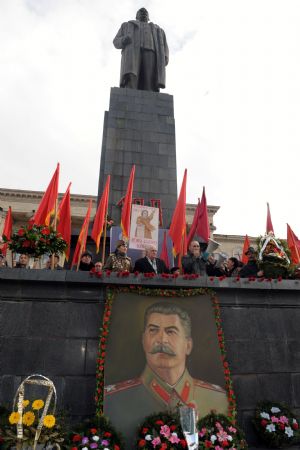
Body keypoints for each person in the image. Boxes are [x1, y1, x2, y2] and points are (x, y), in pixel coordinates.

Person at [104, 302, 228, 447]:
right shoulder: (113, 401)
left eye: (171, 331)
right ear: (143, 341)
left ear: (188, 345)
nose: (162, 340)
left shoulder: (219, 399)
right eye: (153, 330)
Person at [113, 7, 169, 92]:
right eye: (141, 11)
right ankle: (130, 94)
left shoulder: (158, 30)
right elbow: (116, 41)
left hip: (151, 53)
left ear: (149, 17)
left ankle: (150, 98)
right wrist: (123, 40)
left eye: (145, 12)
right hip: (132, 54)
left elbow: (164, 45)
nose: (144, 12)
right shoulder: (127, 25)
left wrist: (165, 56)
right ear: (136, 16)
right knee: (131, 76)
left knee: (149, 79)